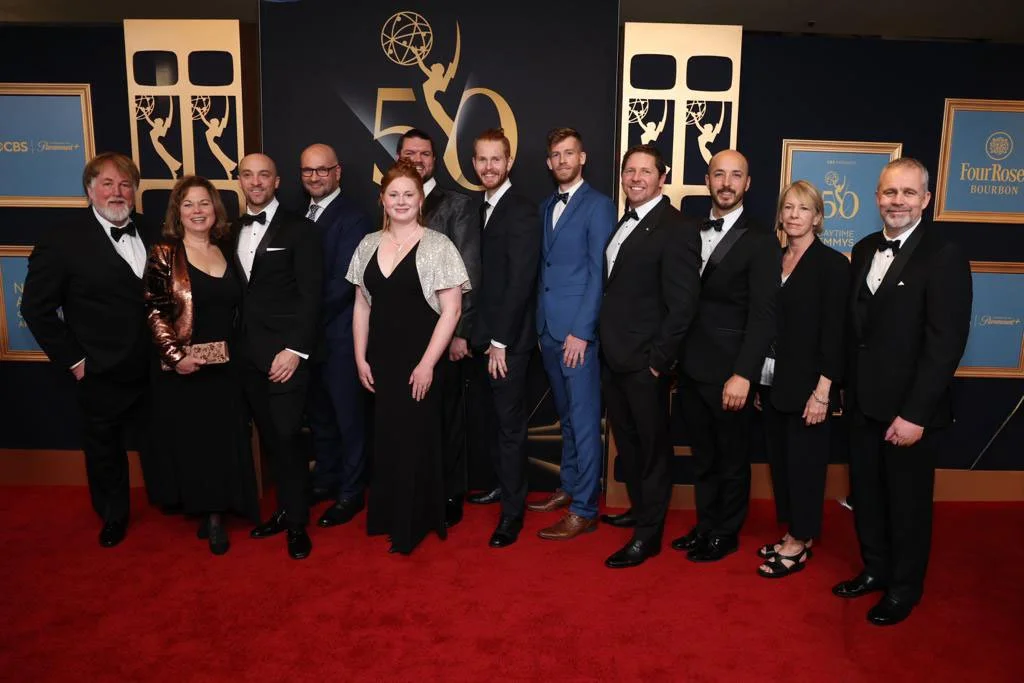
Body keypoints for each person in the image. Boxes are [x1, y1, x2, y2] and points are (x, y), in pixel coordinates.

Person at [832, 158, 971, 626]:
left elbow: (945, 343)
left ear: (926, 200)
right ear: (876, 197)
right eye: (890, 193)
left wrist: (915, 414)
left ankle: (904, 589)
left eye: (908, 193)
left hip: (910, 412)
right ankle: (875, 570)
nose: (897, 202)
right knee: (867, 497)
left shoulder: (944, 253)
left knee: (907, 505)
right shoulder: (865, 246)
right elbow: (856, 332)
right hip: (863, 405)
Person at [21, 153, 160, 547]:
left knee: (159, 437)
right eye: (108, 184)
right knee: (104, 448)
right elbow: (35, 308)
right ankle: (113, 515)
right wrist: (76, 361)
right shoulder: (62, 240)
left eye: (125, 185)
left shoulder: (152, 231)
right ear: (89, 190)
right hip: (100, 367)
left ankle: (168, 499)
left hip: (153, 364)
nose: (117, 192)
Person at [346, 160, 469, 555]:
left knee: (418, 440)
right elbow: (362, 306)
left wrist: (428, 364)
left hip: (422, 359)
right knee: (387, 440)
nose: (401, 201)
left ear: (421, 201)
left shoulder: (438, 245)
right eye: (393, 194)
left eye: (409, 195)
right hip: (382, 359)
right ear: (382, 199)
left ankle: (413, 524)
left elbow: (452, 311)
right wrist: (360, 357)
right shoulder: (367, 244)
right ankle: (386, 514)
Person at [143, 175, 259, 555]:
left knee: (225, 438)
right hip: (188, 365)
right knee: (198, 442)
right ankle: (211, 518)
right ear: (178, 212)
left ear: (215, 210)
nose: (197, 211)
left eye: (204, 203)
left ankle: (224, 504)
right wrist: (176, 357)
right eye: (189, 204)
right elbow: (155, 310)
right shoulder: (165, 251)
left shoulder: (226, 248)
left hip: (227, 365)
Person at [674, 149, 779, 563]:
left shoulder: (762, 241)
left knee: (732, 458)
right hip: (690, 366)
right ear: (707, 180)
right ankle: (705, 524)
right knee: (703, 456)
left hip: (730, 370)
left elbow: (764, 316)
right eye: (719, 174)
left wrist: (744, 374)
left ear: (747, 184)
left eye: (736, 175)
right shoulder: (688, 230)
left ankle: (725, 532)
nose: (727, 182)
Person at [600, 144, 701, 568]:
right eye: (630, 171)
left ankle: (649, 537)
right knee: (631, 445)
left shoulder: (676, 227)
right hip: (614, 357)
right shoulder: (624, 221)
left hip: (646, 363)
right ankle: (642, 511)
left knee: (654, 450)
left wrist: (659, 360)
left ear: (663, 177)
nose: (636, 178)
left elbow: (683, 305)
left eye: (646, 171)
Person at [754, 180, 849, 578]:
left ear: (818, 218)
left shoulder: (831, 265)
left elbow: (836, 332)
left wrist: (823, 391)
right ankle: (798, 533)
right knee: (782, 462)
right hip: (773, 381)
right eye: (788, 207)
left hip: (811, 386)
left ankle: (799, 540)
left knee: (806, 464)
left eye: (803, 208)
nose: (794, 215)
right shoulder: (772, 259)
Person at [232, 153, 323, 560]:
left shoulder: (300, 229)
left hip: (286, 355)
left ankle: (297, 524)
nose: (256, 182)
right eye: (248, 175)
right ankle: (285, 509)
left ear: (277, 180)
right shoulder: (228, 230)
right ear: (240, 181)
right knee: (270, 440)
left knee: (287, 438)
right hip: (246, 357)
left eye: (263, 174)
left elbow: (311, 295)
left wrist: (295, 350)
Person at [530, 127, 615, 540]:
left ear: (582, 158)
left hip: (577, 333)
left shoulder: (599, 206)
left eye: (569, 153)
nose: (563, 160)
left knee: (583, 421)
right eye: (556, 155)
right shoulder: (546, 205)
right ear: (549, 163)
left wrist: (582, 331)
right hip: (547, 329)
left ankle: (585, 508)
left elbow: (600, 273)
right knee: (565, 418)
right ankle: (568, 486)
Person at [397, 128, 484, 525]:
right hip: (401, 333)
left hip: (444, 331)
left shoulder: (457, 205)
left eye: (424, 154)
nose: (417, 159)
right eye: (409, 153)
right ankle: (415, 489)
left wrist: (461, 332)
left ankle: (449, 493)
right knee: (409, 417)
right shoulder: (391, 202)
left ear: (435, 159)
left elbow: (469, 270)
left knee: (446, 417)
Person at [469, 128, 541, 548]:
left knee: (511, 428)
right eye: (482, 160)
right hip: (482, 337)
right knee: (491, 422)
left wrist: (500, 341)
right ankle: (501, 486)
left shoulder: (522, 210)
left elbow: (520, 282)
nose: (489, 167)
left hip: (507, 341)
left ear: (509, 162)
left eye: (496, 160)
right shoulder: (481, 207)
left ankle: (512, 515)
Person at [296, 143, 374, 529]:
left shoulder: (355, 218)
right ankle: (326, 479)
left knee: (349, 419)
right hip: (308, 341)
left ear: (337, 172)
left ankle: (352, 491)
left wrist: (297, 319)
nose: (315, 177)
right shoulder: (298, 217)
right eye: (308, 171)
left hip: (341, 337)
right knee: (321, 417)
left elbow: (345, 282)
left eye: (322, 170)